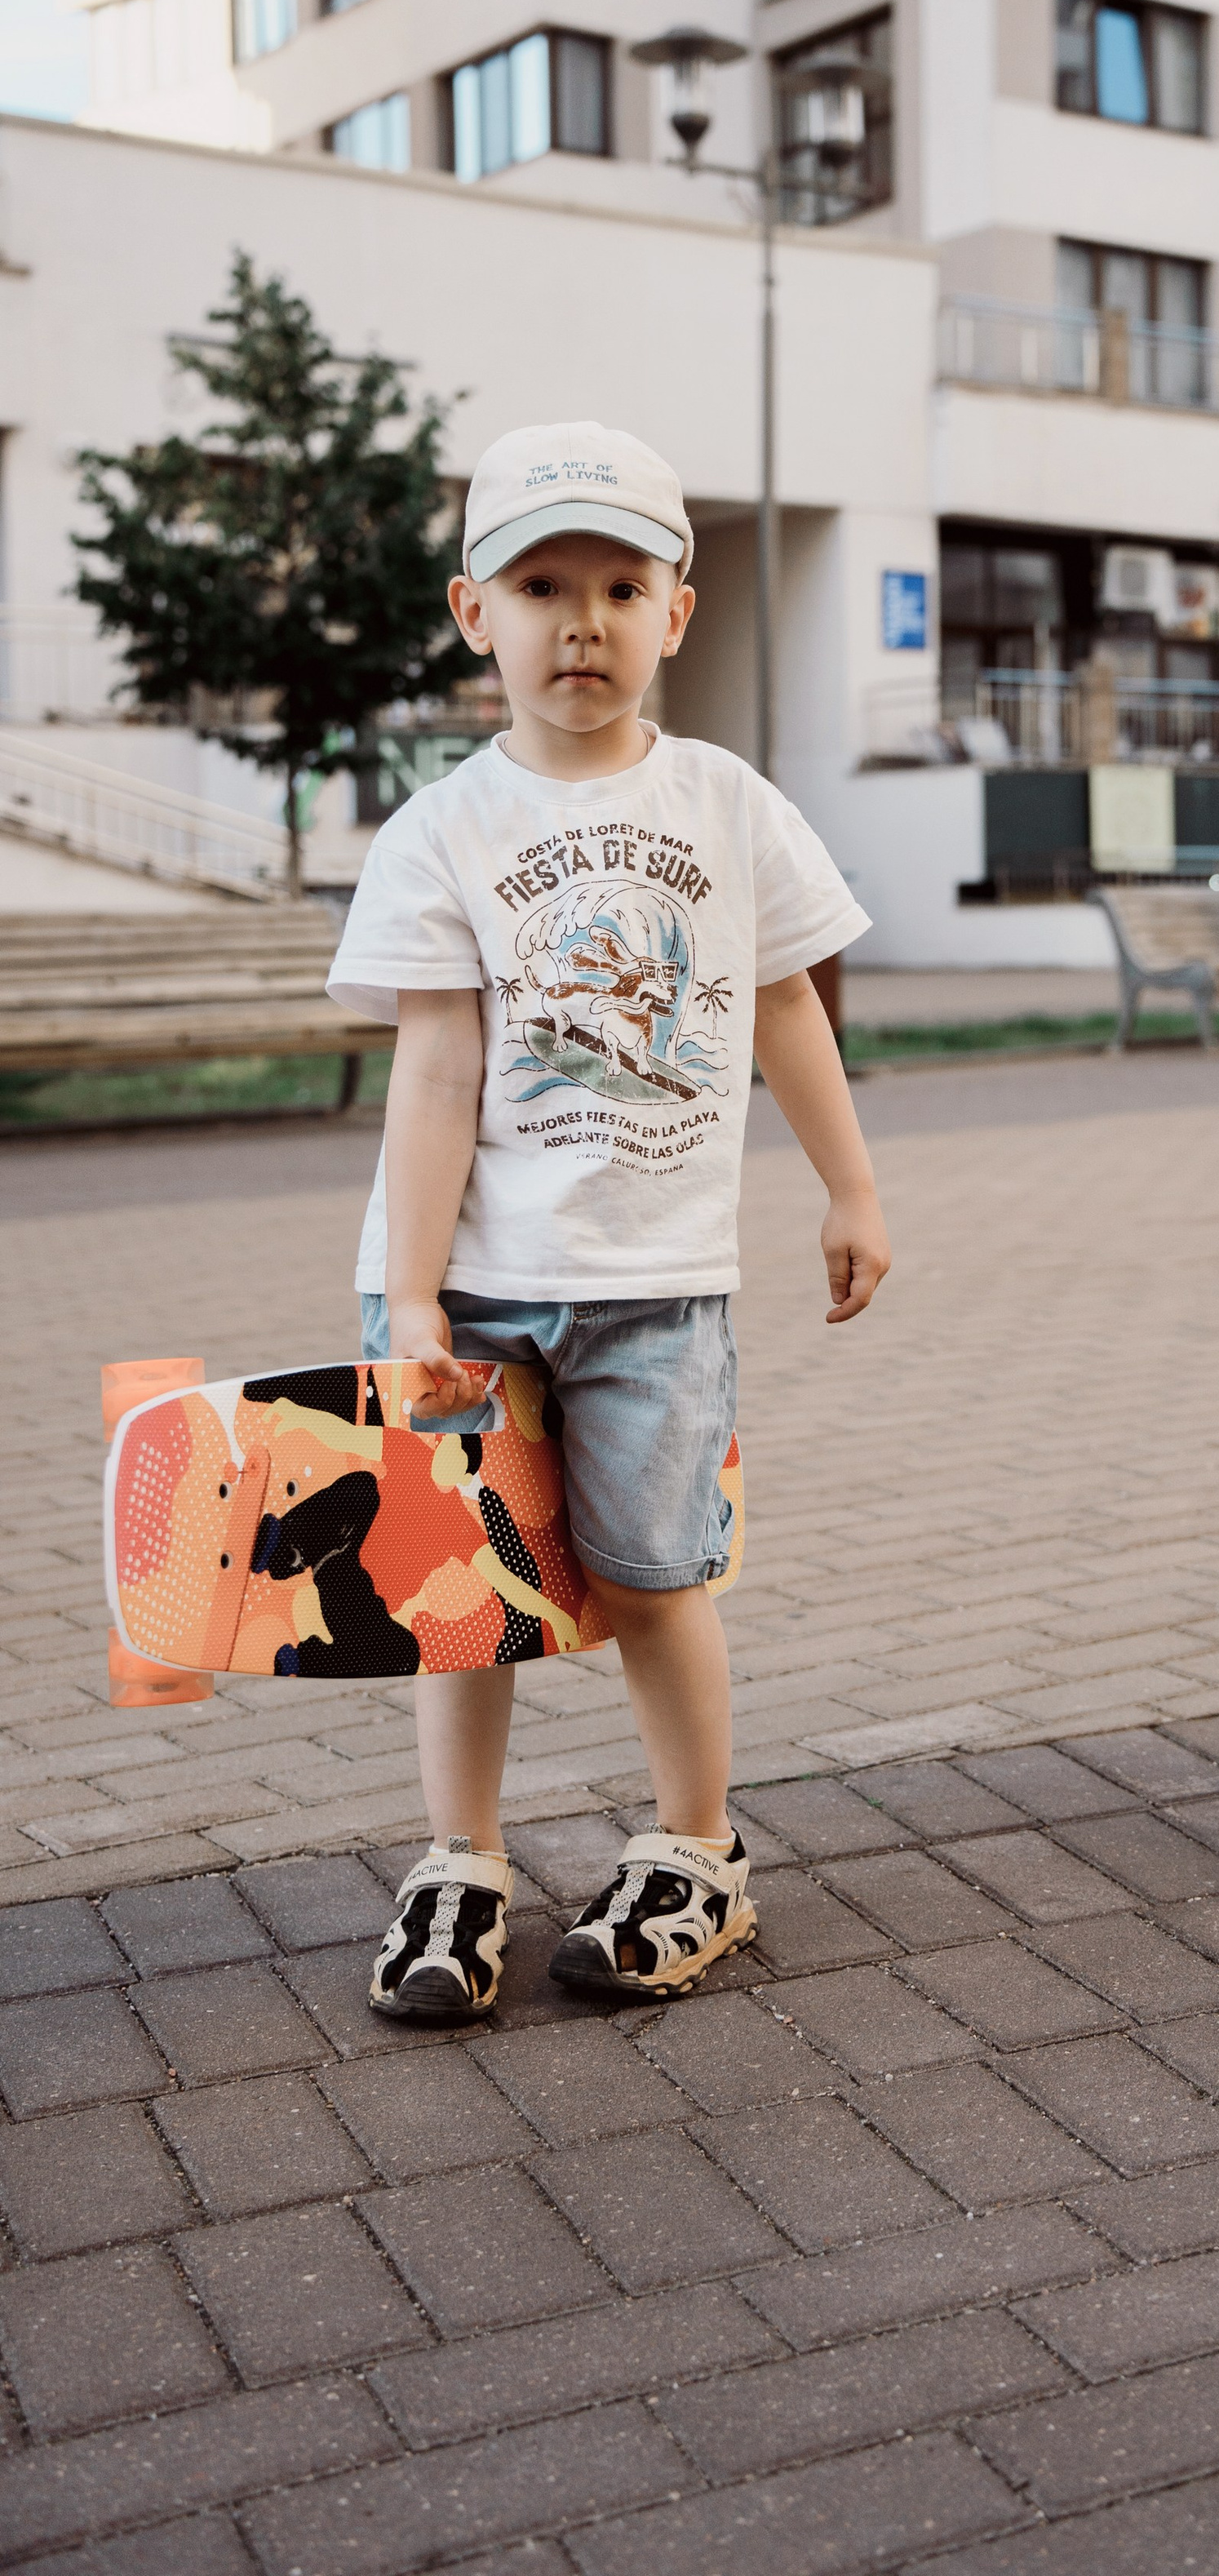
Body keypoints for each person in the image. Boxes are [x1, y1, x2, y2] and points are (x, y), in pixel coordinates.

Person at [326, 423, 890, 2021]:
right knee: (464, 1600)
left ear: (677, 614)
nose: (580, 621)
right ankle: (461, 1862)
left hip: (658, 1290)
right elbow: (435, 1073)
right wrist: (413, 1298)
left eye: (619, 585)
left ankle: (698, 1848)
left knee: (654, 1580)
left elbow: (786, 1007)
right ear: (471, 612)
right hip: (467, 1296)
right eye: (540, 584)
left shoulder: (727, 804)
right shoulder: (440, 830)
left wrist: (848, 1187)